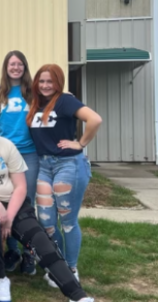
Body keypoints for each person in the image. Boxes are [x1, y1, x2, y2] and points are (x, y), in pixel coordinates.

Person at [0, 106, 109, 302]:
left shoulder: (5, 145)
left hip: (15, 202)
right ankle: (1, 278)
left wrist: (9, 214)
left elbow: (20, 185)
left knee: (41, 240)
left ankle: (79, 299)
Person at [27, 64, 102, 286]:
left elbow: (95, 119)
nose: (45, 85)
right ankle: (58, 264)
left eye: (50, 81)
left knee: (67, 220)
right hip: (43, 165)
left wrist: (80, 143)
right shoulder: (35, 102)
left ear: (58, 82)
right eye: (42, 81)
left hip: (68, 164)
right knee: (47, 221)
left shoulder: (65, 101)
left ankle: (71, 268)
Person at [0, 51, 39, 276]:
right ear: (6, 67)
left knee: (26, 201)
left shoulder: (33, 93)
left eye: (19, 64)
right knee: (5, 200)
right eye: (11, 64)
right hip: (3, 154)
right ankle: (13, 250)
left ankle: (30, 253)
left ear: (25, 67)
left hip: (28, 153)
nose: (15, 67)